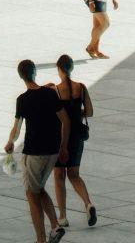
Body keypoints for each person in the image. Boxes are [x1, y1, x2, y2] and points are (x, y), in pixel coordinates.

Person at [4, 59, 70, 243]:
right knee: (38, 189)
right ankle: (55, 226)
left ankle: (41, 238)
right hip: (53, 151)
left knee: (31, 194)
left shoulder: (23, 100)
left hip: (35, 152)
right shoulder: (49, 94)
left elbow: (16, 129)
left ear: (20, 76)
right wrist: (64, 146)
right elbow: (65, 120)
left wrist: (10, 142)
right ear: (35, 72)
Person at [52, 54, 95, 229]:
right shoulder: (82, 88)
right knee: (74, 174)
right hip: (77, 136)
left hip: (60, 136)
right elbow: (90, 112)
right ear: (71, 68)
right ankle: (88, 203)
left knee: (59, 176)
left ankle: (62, 216)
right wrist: (77, 114)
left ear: (59, 69)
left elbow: (55, 114)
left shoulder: (55, 91)